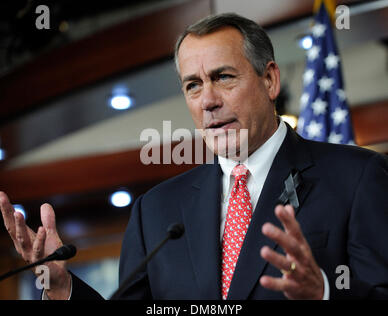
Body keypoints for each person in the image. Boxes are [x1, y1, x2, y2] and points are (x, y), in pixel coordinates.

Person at [1, 13, 388, 300]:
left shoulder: (357, 178)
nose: (208, 101)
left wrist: (323, 292)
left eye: (223, 77)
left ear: (269, 80)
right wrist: (62, 286)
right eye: (193, 85)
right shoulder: (155, 212)